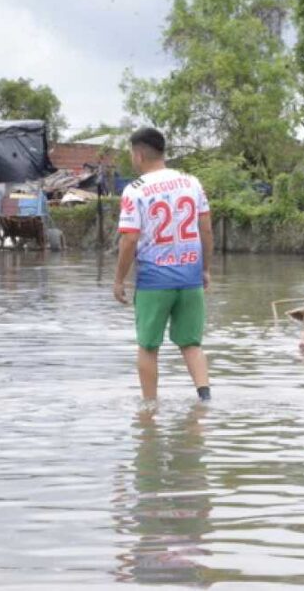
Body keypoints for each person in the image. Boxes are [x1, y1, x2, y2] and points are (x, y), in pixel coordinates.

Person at [114, 128, 214, 402]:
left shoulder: (134, 191)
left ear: (138, 154)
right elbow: (206, 229)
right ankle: (205, 400)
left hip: (154, 282)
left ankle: (149, 409)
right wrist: (205, 269)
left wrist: (119, 280)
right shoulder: (192, 182)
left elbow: (129, 240)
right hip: (190, 277)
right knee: (191, 344)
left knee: (148, 347)